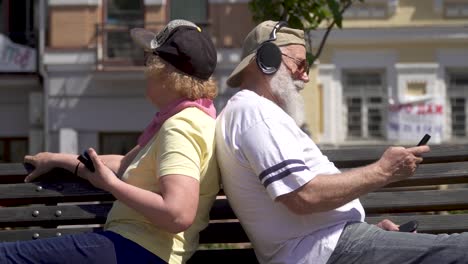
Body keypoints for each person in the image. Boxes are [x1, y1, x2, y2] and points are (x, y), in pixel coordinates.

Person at [215, 20, 468, 264]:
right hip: (327, 250)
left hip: (333, 244)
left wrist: (362, 228)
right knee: (459, 249)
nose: (306, 77)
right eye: (301, 64)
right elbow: (304, 196)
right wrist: (383, 171)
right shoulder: (255, 115)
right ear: (267, 60)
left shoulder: (252, 113)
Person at [16, 19, 220, 264]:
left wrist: (112, 185)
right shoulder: (192, 118)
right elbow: (124, 164)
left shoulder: (181, 128)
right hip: (136, 247)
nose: (145, 70)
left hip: (139, 250)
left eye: (149, 61)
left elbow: (178, 214)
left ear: (165, 73)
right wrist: (57, 160)